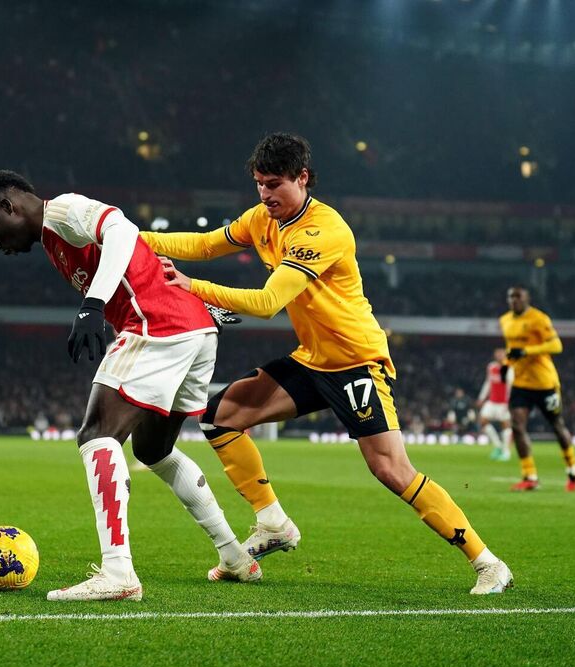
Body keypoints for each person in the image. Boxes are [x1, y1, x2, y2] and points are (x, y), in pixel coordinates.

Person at [143, 133, 512, 595]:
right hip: (313, 360)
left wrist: (191, 287)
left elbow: (266, 301)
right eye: (259, 184)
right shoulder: (263, 218)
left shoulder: (324, 230)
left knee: (391, 470)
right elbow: (202, 243)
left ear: (302, 178)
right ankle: (272, 522)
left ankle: (488, 562)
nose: (265, 194)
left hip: (356, 361)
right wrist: (127, 237)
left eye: (274, 184)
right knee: (221, 418)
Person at [0, 170, 260, 602]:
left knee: (96, 434)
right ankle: (234, 556)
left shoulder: (62, 211)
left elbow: (122, 229)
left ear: (10, 206)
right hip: (193, 330)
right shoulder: (52, 241)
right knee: (152, 450)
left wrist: (93, 303)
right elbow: (138, 256)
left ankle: (118, 572)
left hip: (156, 327)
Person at [500, 286, 575, 492]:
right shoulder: (505, 320)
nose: (514, 300)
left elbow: (556, 346)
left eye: (518, 296)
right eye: (511, 296)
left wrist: (526, 351)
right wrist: (506, 364)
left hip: (545, 383)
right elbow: (512, 348)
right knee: (517, 425)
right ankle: (530, 476)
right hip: (521, 383)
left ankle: (572, 469)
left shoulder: (539, 319)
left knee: (557, 426)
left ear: (527, 299)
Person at [476, 348, 513, 461]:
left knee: (505, 425)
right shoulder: (491, 367)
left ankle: (506, 452)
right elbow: (488, 382)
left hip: (503, 403)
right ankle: (498, 446)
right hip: (492, 401)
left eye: (501, 354)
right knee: (482, 421)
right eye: (497, 354)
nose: (499, 356)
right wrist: (481, 397)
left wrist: (509, 402)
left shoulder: (508, 368)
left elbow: (510, 386)